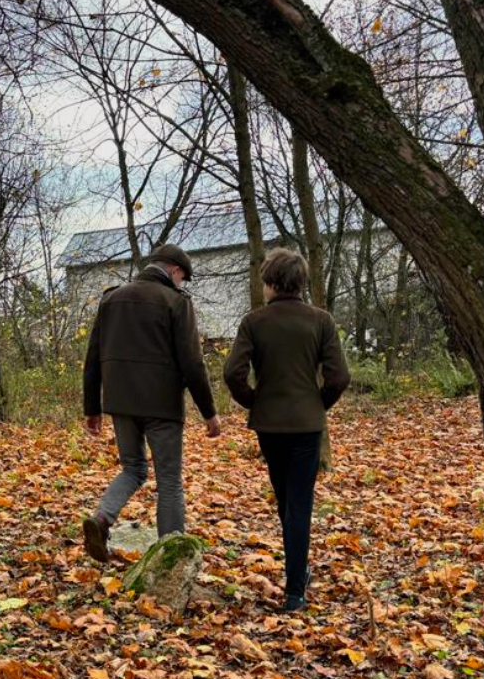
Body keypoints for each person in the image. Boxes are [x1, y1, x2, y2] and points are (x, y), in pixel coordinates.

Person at [223, 248, 350, 612]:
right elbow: (339, 376)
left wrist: (254, 401)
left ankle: (297, 578)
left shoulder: (254, 322)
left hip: (270, 425)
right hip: (307, 426)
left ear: (272, 282)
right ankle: (296, 587)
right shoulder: (321, 320)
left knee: (287, 500)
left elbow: (233, 373)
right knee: (299, 502)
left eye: (264, 280)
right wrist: (317, 403)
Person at [81, 243, 221, 563]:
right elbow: (192, 363)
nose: (182, 284)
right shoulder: (176, 301)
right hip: (163, 406)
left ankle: (102, 519)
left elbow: (93, 359)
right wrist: (209, 413)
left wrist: (92, 408)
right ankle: (171, 558)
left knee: (133, 468)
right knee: (169, 480)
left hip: (121, 404)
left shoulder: (111, 298)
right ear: (173, 271)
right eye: (182, 278)